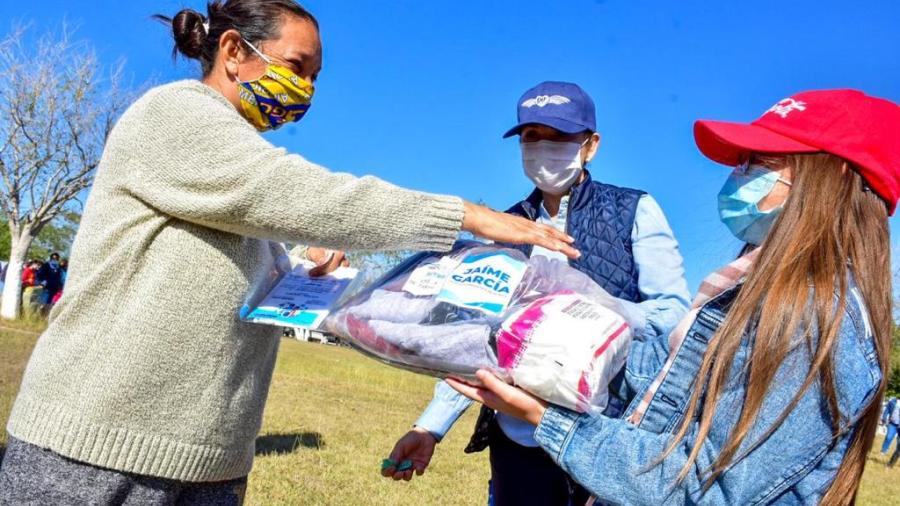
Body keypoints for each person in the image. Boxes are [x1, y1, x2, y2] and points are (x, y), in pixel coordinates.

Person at [0, 2, 577, 504]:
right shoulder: (175, 114)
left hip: (209, 457)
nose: (307, 88)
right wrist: (463, 214)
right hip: (96, 444)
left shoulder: (237, 165)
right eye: (297, 67)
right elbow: (300, 194)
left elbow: (239, 267)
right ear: (233, 50)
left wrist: (301, 269)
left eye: (315, 77)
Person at [448, 89, 898, 504]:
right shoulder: (747, 291)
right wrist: (534, 334)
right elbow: (662, 375)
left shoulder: (814, 321)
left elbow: (701, 488)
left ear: (834, 176)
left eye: (758, 162)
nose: (738, 175)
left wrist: (548, 419)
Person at [383, 81, 691, 505]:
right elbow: (472, 338)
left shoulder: (633, 210)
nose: (544, 147)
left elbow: (672, 315)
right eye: (532, 136)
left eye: (559, 136)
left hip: (604, 432)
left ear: (591, 145)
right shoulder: (503, 227)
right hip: (516, 438)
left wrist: (585, 305)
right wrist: (429, 428)